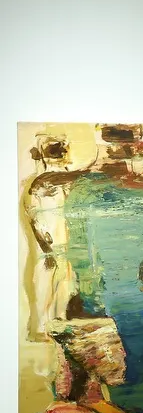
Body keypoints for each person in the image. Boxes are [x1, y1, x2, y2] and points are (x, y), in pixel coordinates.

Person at [62, 125, 143, 413]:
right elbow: (79, 250)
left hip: (142, 299)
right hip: (103, 299)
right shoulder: (85, 189)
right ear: (103, 141)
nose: (123, 146)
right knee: (112, 377)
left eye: (129, 139)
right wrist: (91, 299)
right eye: (115, 138)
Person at [24, 135, 81, 341]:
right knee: (45, 283)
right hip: (48, 243)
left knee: (65, 281)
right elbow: (33, 215)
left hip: (63, 240)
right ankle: (40, 328)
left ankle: (58, 322)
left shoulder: (63, 180)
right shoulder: (39, 183)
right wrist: (44, 243)